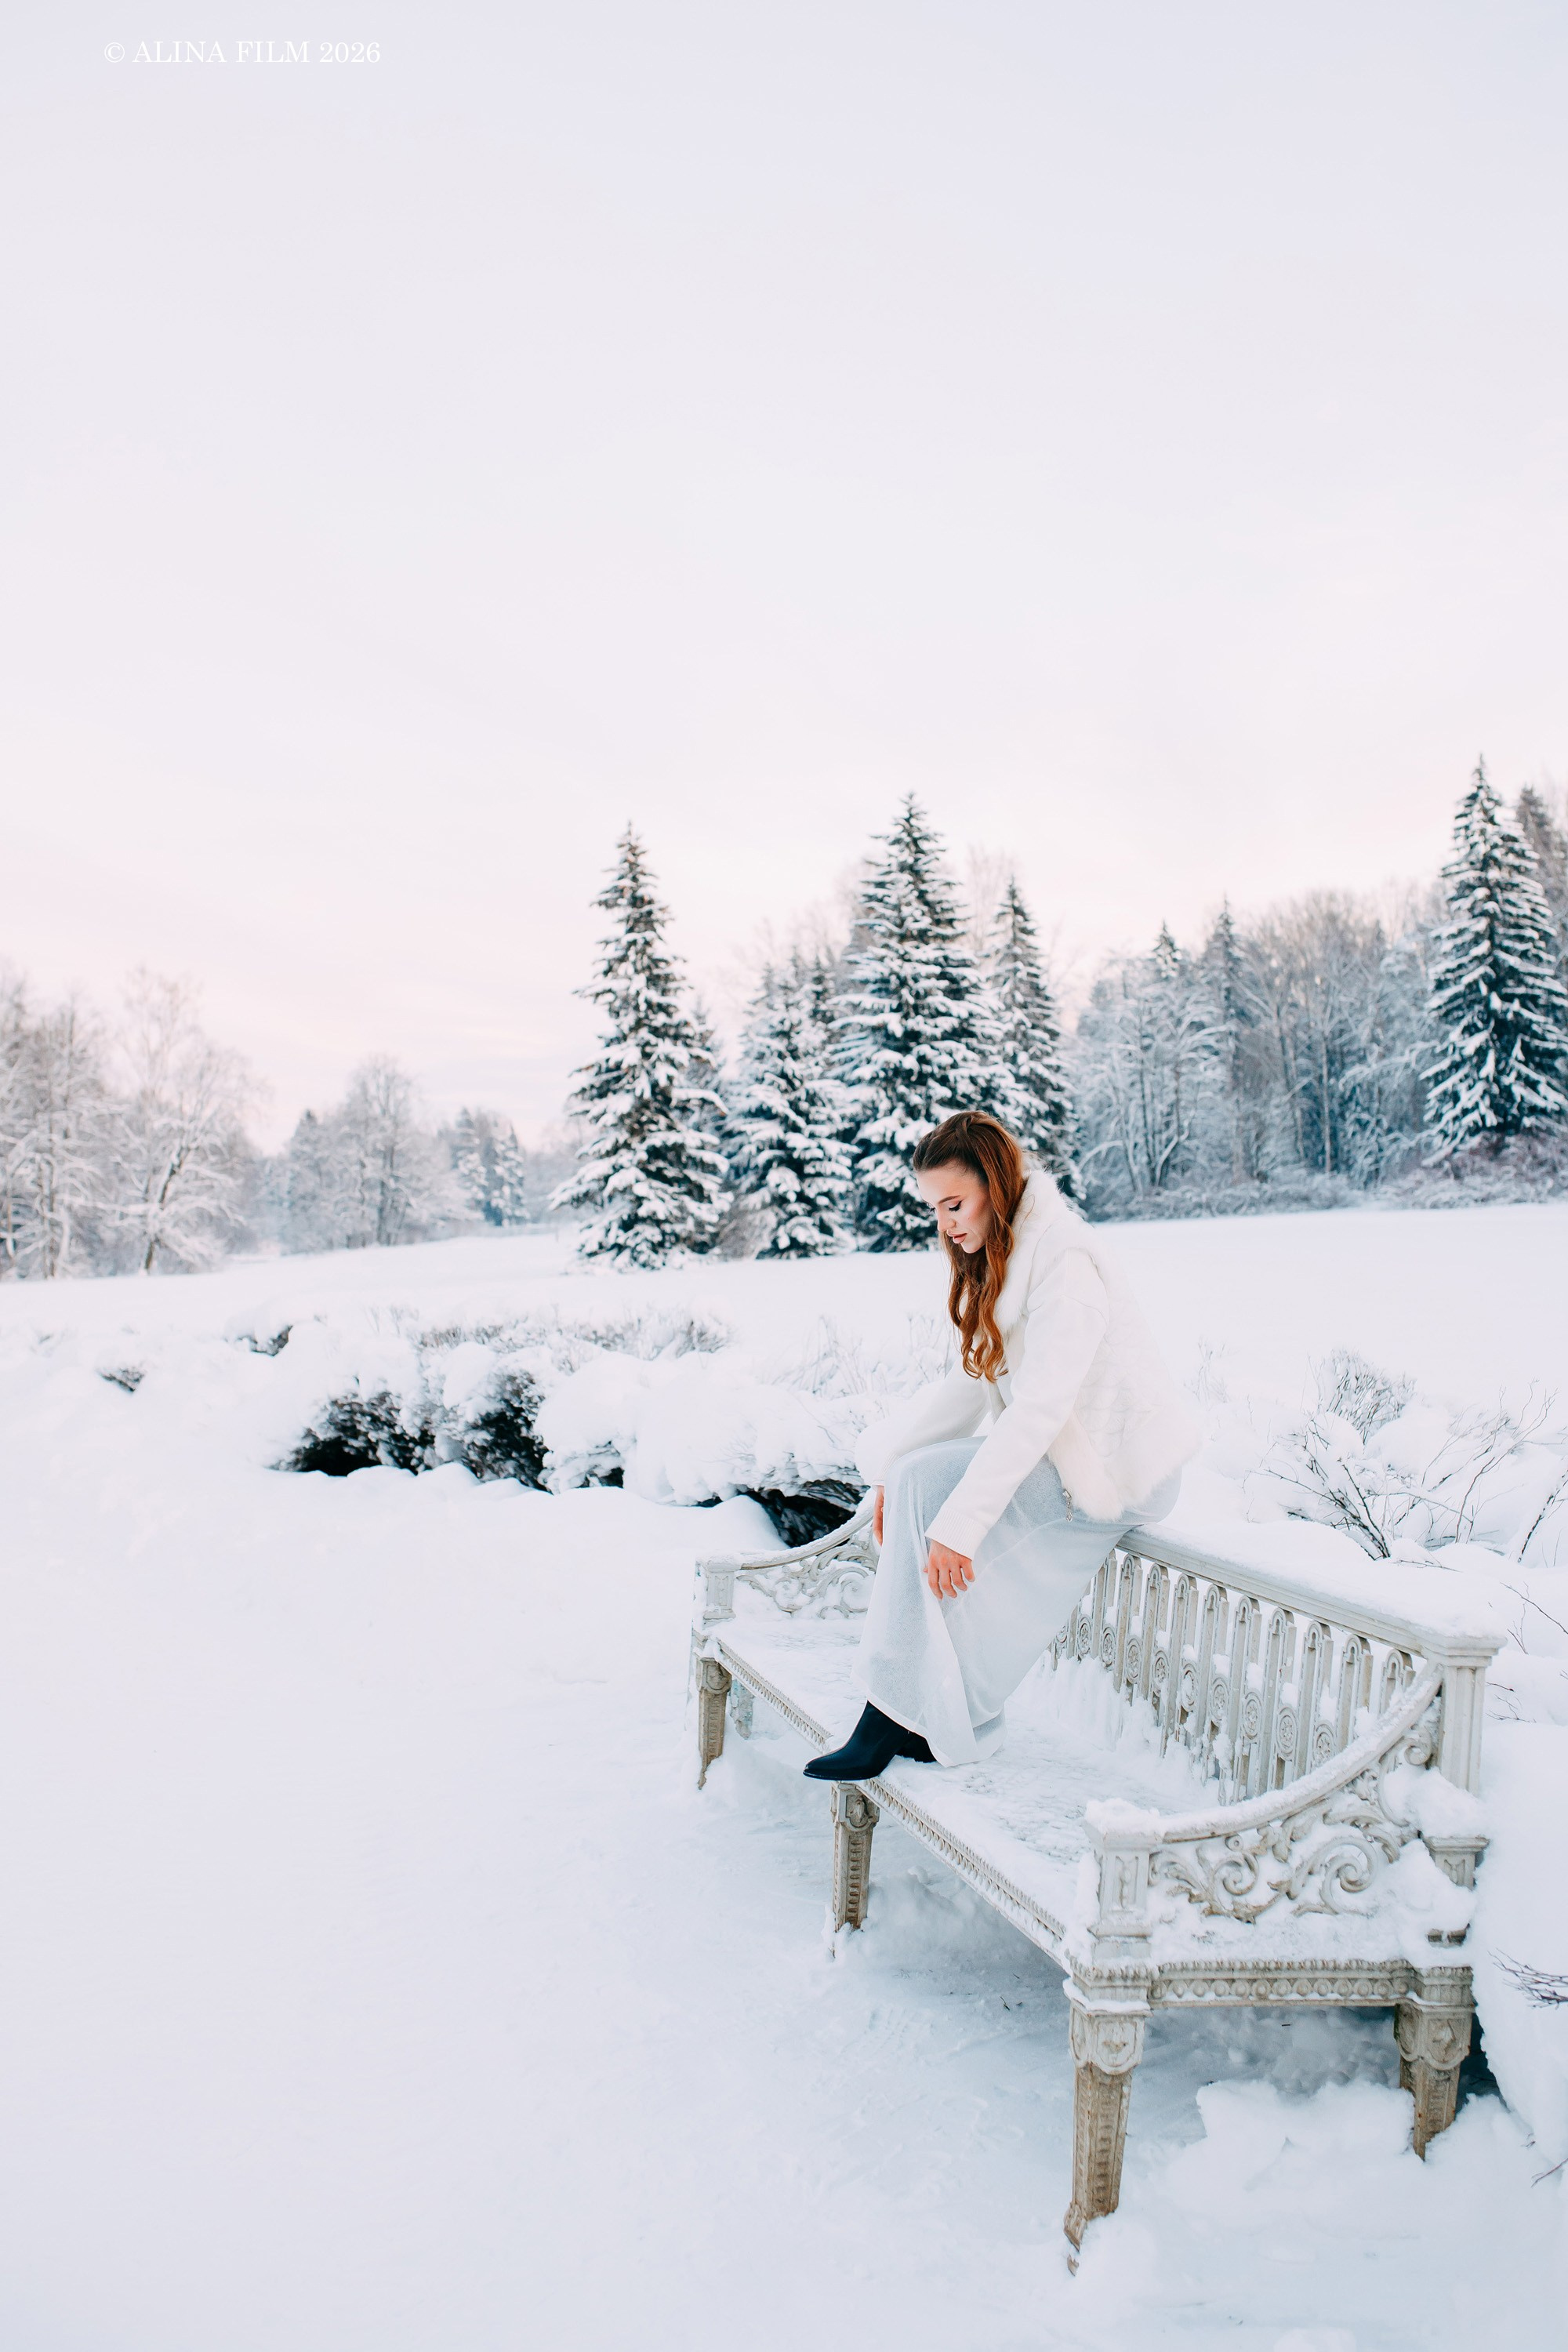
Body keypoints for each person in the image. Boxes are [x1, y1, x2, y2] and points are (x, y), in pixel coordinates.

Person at [804, 1110, 1200, 1782]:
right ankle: (908, 1710)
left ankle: (893, 1716)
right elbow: (973, 1381)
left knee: (934, 1496)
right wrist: (891, 1472)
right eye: (935, 1209)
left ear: (995, 1184)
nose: (945, 1224)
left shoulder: (1064, 1263)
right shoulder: (1009, 1255)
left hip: (1114, 1472)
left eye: (955, 1204)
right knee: (916, 1478)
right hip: (1066, 1456)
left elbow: (1041, 1407)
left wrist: (960, 1525)